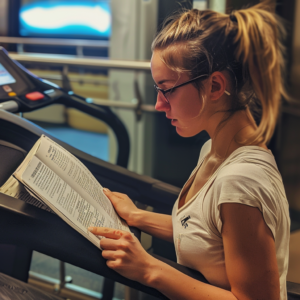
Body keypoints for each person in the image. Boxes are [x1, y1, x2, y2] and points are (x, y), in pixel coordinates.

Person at [89, 2, 290, 299]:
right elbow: (207, 236)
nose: (159, 104)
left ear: (215, 86)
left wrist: (149, 269)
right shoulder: (215, 150)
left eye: (167, 88)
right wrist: (137, 215)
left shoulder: (241, 182)